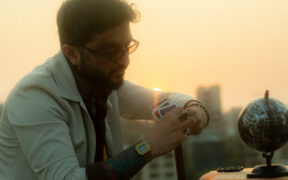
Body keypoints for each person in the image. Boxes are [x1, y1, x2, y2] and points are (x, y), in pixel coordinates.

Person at [0, 0, 209, 179]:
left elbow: (164, 99)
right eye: (111, 52)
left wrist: (194, 110)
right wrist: (147, 148)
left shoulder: (103, 83)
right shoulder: (35, 97)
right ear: (71, 53)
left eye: (127, 47)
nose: (125, 61)